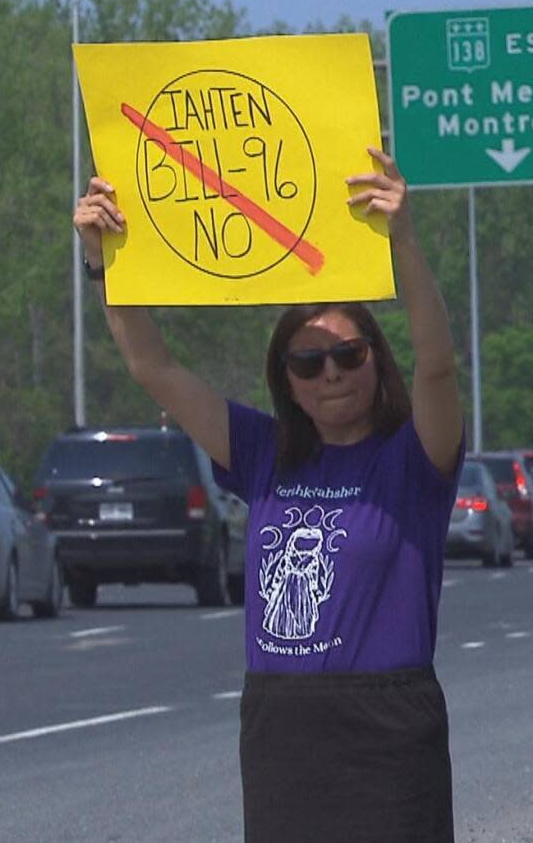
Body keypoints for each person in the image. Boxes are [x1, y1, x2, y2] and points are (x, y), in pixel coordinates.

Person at [72, 147, 463, 843]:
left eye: (349, 354)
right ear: (287, 378)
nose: (331, 374)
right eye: (307, 362)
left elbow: (436, 364)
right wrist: (105, 259)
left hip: (390, 727)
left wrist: (403, 240)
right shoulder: (263, 454)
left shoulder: (412, 459)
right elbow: (150, 364)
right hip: (282, 726)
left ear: (376, 358)